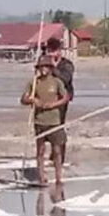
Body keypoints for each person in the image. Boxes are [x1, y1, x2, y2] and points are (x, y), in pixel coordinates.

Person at [21, 55, 70, 186]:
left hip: (54, 121)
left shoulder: (56, 82)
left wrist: (54, 104)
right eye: (41, 66)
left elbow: (66, 97)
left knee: (57, 150)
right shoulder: (33, 82)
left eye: (46, 67)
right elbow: (23, 99)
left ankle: (59, 178)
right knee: (40, 150)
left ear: (50, 68)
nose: (43, 69)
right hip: (39, 121)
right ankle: (41, 177)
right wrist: (32, 100)